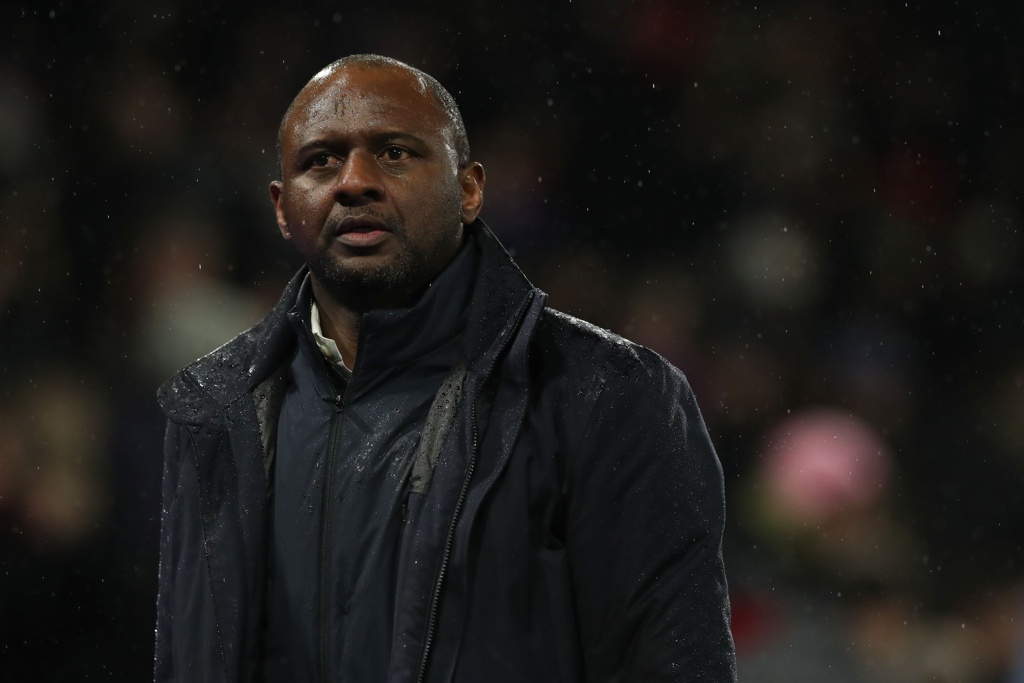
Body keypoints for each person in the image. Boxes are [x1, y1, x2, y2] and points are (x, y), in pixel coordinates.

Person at [154, 54, 736, 683]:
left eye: (394, 153)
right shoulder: (213, 410)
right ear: (281, 206)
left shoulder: (609, 395)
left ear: (469, 190)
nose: (354, 181)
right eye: (321, 160)